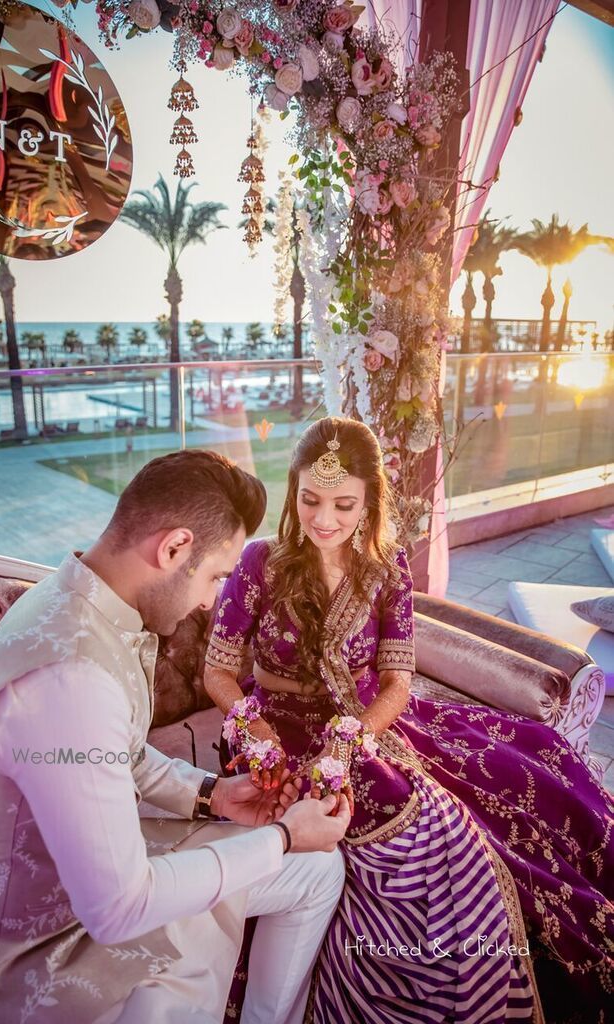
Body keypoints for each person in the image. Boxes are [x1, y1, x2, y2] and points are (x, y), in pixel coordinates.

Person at [204, 416, 614, 1024]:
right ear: (292, 492)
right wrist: (252, 728)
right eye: (310, 499)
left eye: (344, 504)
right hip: (272, 734)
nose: (324, 519)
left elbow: (396, 683)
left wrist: (352, 737)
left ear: (370, 503)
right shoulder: (261, 562)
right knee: (389, 818)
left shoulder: (385, 567)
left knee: (524, 782)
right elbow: (216, 672)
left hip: (364, 727)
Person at [0, 450, 350, 1024]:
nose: (210, 600)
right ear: (174, 547)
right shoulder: (68, 679)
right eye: (214, 576)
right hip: (33, 952)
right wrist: (281, 835)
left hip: (96, 872)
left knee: (319, 868)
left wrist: (213, 795)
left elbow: (121, 752)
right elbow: (118, 908)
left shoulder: (82, 602)